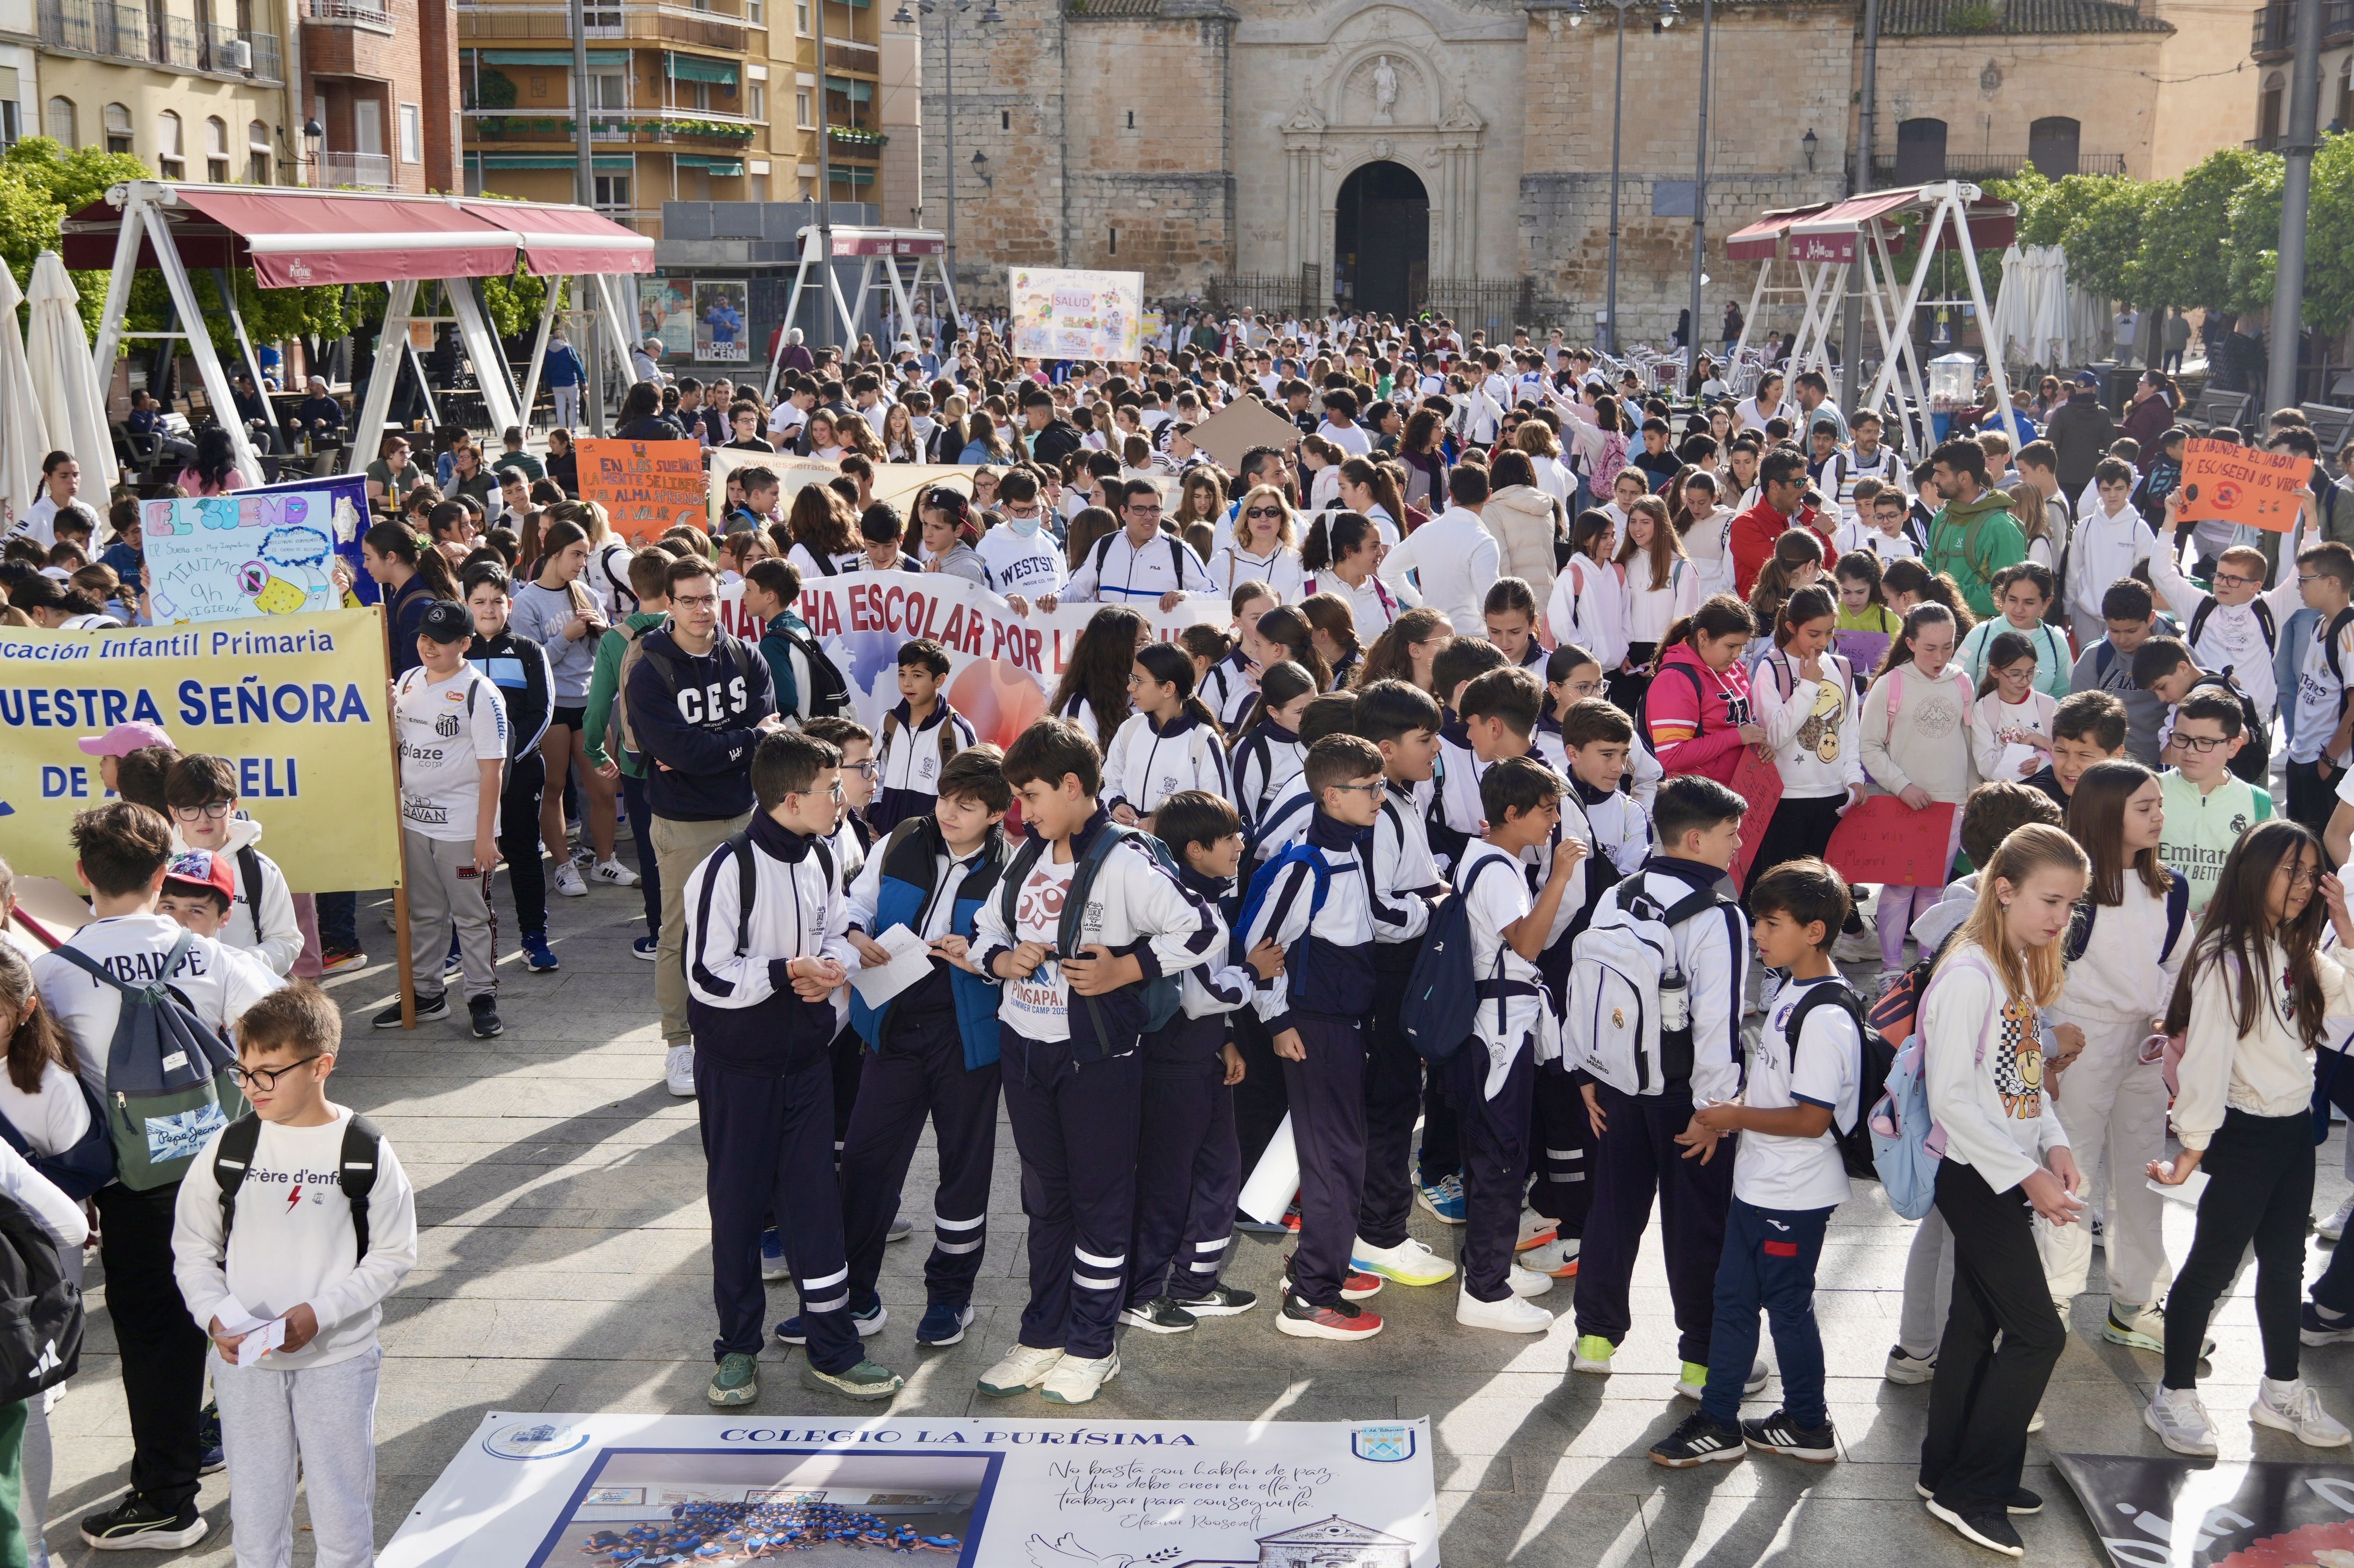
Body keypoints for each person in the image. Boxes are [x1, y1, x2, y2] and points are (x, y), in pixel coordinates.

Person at [34, 803, 281, 1551]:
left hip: (135, 1186)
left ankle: (167, 1500)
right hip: (229, 1167)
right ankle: (272, 1456)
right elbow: (285, 1024)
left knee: (154, 1338)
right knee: (246, 1311)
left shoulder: (53, 973)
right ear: (160, 876)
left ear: (84, 876)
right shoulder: (208, 954)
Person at [967, 720, 1224, 1404]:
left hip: (1099, 1058)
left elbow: (1203, 928)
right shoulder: (1026, 857)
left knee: (1101, 1202)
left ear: (1073, 785)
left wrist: (1126, 968)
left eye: (1031, 795)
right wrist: (1000, 958)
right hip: (1025, 1049)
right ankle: (1042, 1335)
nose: (1023, 811)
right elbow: (986, 926)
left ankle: (1092, 1344)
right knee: (1046, 1201)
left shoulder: (1124, 859)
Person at [681, 731, 904, 1406]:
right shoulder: (724, 869)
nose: (843, 798)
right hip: (738, 1073)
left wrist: (831, 963)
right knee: (740, 1209)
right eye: (831, 788)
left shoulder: (822, 856)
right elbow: (706, 977)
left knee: (815, 1210)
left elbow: (835, 926)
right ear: (789, 798)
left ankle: (833, 1348)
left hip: (806, 1066)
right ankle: (737, 1351)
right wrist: (788, 973)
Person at [171, 983, 417, 1568]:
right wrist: (217, 1317)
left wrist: (320, 1313)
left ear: (320, 1067)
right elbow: (192, 1248)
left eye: (269, 1073)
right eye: (244, 1071)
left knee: (341, 1505)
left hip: (339, 1357)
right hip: (245, 1364)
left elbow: (394, 1252)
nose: (252, 1087)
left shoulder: (363, 1148)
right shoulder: (229, 1147)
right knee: (254, 1508)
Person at [2146, 821, 2354, 1460]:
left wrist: (2343, 927)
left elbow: (2344, 1003)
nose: (2298, 885)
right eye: (2286, 870)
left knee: (2285, 1263)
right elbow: (2206, 1060)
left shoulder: (2294, 947)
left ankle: (2280, 1389)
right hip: (2244, 1127)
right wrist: (2192, 1145)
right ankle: (2173, 1394)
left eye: (2308, 872)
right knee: (2210, 1264)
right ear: (2252, 870)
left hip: (2292, 1129)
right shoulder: (2224, 957)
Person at [1651, 858, 1861, 1467]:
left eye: (1770, 923)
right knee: (1733, 1300)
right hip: (1761, 1183)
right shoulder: (1791, 989)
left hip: (1793, 1193)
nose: (1759, 935)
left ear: (1814, 930)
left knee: (1786, 1307)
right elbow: (1776, 1091)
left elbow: (1811, 1118)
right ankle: (1719, 1420)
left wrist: (1732, 1119)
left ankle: (1809, 1423)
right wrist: (1729, 1112)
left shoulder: (1824, 1013)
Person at [1913, 824, 2087, 1556]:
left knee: (1973, 1324)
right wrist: (2031, 1175)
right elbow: (1951, 1097)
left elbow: (2021, 1083)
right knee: (2038, 1331)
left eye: (2071, 907)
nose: (2060, 918)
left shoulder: (2012, 963)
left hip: (2006, 1168)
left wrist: (2055, 1143)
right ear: (2005, 888)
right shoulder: (1968, 974)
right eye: (2050, 899)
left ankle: (1947, 1470)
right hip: (1975, 1175)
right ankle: (1970, 1490)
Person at [1568, 775, 1756, 1399]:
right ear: (1696, 839)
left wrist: (1588, 1072)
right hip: (1684, 1099)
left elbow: (1589, 990)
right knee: (1696, 1227)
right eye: (1730, 835)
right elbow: (1717, 1023)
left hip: (1618, 1084)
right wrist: (1715, 1112)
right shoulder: (1720, 915)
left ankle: (1594, 1340)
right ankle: (1700, 1365)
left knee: (1611, 1213)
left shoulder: (1617, 895)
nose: (1736, 846)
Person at [832, 747, 1015, 1349]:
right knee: (865, 1163)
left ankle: (950, 1298)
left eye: (966, 806)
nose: (948, 813)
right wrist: (856, 933)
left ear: (995, 814)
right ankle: (855, 1298)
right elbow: (852, 904)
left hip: (965, 1039)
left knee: (963, 1172)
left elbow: (1017, 958)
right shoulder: (904, 837)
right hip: (893, 1028)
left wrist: (978, 958)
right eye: (944, 799)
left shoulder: (1012, 870)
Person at [1234, 734, 1389, 1342]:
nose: (1380, 797)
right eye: (1368, 788)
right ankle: (1310, 1296)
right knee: (1333, 1161)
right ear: (1330, 795)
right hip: (1314, 1029)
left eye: (1380, 785)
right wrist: (1277, 1021)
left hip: (1341, 1026)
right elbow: (1259, 948)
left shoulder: (1349, 850)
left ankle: (1318, 1265)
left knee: (1335, 1155)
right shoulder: (1307, 864)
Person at [2039, 761, 2189, 1344]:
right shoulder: (2072, 889)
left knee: (2143, 1173)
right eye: (2144, 807)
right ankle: (2050, 1299)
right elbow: (2038, 969)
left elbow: (2180, 963)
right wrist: (2050, 1043)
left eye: (2158, 805)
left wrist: (2167, 1015)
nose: (2158, 816)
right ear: (2105, 814)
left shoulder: (2166, 887)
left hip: (2145, 1046)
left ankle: (2138, 1303)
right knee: (2068, 1171)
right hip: (2080, 1042)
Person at [628, 556, 780, 1094]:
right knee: (680, 932)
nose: (701, 610)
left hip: (747, 813)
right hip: (683, 822)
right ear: (667, 604)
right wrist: (742, 741)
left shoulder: (745, 656)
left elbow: (766, 736)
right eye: (689, 599)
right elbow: (680, 751)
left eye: (709, 598)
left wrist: (719, 749)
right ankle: (678, 1044)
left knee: (753, 925)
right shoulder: (649, 672)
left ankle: (745, 1024)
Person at [1120, 791, 1271, 1332]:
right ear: (1194, 848)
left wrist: (1226, 1037)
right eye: (1229, 837)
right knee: (1166, 1181)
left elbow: (1209, 1000)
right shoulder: (1182, 905)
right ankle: (1139, 1292)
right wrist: (1253, 972)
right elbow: (1199, 993)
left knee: (1220, 1169)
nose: (1240, 845)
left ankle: (1196, 1282)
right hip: (1171, 1065)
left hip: (1203, 1059)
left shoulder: (1207, 895)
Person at [1448, 756, 1582, 1333]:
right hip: (1496, 1030)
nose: (1554, 819)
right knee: (1500, 1158)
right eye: (1547, 808)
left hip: (1495, 1025)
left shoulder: (1485, 857)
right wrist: (1557, 877)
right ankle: (1483, 1290)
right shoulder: (1499, 868)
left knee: (1495, 1154)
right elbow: (1526, 945)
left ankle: (1491, 1265)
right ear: (1511, 812)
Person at [376, 601, 508, 1039]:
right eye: (423, 637)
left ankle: (481, 996)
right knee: (424, 914)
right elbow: (396, 741)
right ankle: (426, 995)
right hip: (414, 822)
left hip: (462, 828)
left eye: (441, 640)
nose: (428, 646)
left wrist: (485, 836)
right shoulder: (410, 680)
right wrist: (384, 709)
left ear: (465, 644)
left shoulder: (481, 692)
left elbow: (493, 769)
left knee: (471, 915)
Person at [510, 519, 632, 899]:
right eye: (576, 554)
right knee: (555, 787)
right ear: (554, 553)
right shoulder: (527, 602)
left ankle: (605, 860)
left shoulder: (588, 594)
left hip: (590, 702)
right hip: (552, 705)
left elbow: (599, 657)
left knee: (604, 787)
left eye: (585, 554)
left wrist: (601, 634)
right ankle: (563, 865)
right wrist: (565, 637)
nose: (582, 562)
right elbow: (533, 664)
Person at [1860, 603, 1978, 987]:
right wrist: (1902, 786)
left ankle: (1927, 967)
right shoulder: (1890, 684)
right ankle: (1892, 969)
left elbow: (1971, 745)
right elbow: (1870, 748)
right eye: (1930, 648)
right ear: (1909, 642)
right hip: (1902, 807)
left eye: (1948, 646)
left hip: (1952, 807)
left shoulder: (1963, 683)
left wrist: (1973, 798)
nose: (1940, 657)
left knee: (1933, 888)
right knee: (1898, 888)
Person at [460, 563, 561, 974]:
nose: (488, 609)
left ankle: (534, 938)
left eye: (497, 601)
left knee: (523, 854)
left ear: (510, 604)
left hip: (519, 773)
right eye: (479, 602)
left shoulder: (528, 650)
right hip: (465, 779)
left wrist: (502, 762)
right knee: (465, 860)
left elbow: (542, 712)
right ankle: (462, 942)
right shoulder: (455, 652)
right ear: (465, 604)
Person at [583, 550, 673, 961]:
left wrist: (595, 750)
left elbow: (598, 707)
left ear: (633, 589)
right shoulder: (691, 628)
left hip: (637, 762)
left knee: (650, 849)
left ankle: (659, 934)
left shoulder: (616, 640)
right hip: (689, 760)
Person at [161, 753, 301, 977]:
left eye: (214, 807)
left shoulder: (261, 869)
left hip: (242, 998)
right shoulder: (155, 866)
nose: (203, 819)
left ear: (233, 806)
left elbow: (286, 940)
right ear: (173, 812)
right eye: (190, 809)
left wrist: (236, 967)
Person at [2155, 687, 2276, 919]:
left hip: (2228, 940)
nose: (2190, 750)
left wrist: (2238, 903)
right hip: (2156, 937)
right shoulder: (2148, 792)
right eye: (2181, 738)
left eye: (2205, 742)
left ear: (2233, 747)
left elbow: (2270, 873)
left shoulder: (2257, 803)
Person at [1101, 643, 1229, 828]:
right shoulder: (1130, 728)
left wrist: (1161, 825)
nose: (1130, 687)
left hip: (1177, 854)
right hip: (1129, 848)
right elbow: (1108, 783)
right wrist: (1117, 803)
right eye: (1131, 678)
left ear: (1168, 688)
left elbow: (1218, 813)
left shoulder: (1202, 740)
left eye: (1139, 680)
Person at [1643, 596, 1762, 785]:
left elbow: (1743, 723)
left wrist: (1757, 744)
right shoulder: (1675, 679)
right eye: (1731, 646)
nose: (1737, 654)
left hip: (1738, 790)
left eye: (1743, 646)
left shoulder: (1734, 668)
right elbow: (1672, 755)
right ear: (1704, 637)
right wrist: (1738, 736)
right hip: (1700, 801)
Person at [1046, 480, 1214, 612]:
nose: (1149, 516)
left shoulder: (1180, 550)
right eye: (1140, 509)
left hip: (1154, 654)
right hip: (1111, 652)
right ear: (1123, 512)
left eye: (1155, 509)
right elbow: (1077, 591)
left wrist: (1185, 596)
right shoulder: (1105, 545)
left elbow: (1216, 596)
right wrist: (1055, 598)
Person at [871, 640, 979, 834]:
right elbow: (877, 770)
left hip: (934, 838)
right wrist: (876, 813)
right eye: (902, 674)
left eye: (917, 675)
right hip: (886, 833)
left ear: (939, 680)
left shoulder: (956, 730)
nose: (907, 683)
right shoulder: (889, 722)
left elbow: (972, 788)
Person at [1378, 466, 1502, 634]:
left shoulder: (1425, 531)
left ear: (1451, 494)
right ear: (1488, 495)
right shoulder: (1483, 541)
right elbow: (1488, 602)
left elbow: (1387, 570)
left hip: (1434, 638)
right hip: (1472, 639)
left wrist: (1422, 605)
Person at [1923, 438, 2026, 621]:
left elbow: (2008, 596)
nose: (1934, 480)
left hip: (1981, 639)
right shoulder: (1942, 517)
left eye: (1941, 473)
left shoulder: (2002, 527)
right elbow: (1928, 566)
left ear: (1964, 478)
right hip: (1939, 632)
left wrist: (1945, 592)